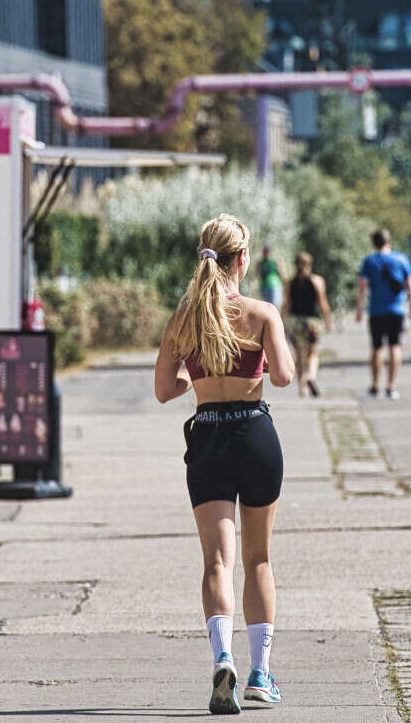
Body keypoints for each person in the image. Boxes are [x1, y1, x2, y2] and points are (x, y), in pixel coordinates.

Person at [154, 214, 295, 714]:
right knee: (258, 558)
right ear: (243, 259)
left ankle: (223, 659)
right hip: (255, 434)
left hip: (209, 437)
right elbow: (281, 375)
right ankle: (261, 673)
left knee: (217, 561)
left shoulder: (184, 317)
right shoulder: (261, 313)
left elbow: (163, 390)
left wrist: (197, 383)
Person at [355, 228, 411, 400]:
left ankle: (375, 385)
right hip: (397, 310)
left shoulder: (369, 261)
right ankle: (391, 386)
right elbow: (410, 285)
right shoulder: (401, 259)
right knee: (395, 346)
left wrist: (359, 309)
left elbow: (362, 287)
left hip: (376, 311)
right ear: (389, 241)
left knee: (376, 348)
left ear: (374, 243)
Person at [281, 252, 333, 398]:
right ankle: (311, 376)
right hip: (312, 323)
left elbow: (286, 305)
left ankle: (302, 387)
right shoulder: (317, 281)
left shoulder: (290, 283)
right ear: (310, 264)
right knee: (313, 353)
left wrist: (280, 322)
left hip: (295, 322)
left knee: (298, 355)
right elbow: (323, 304)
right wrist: (328, 320)